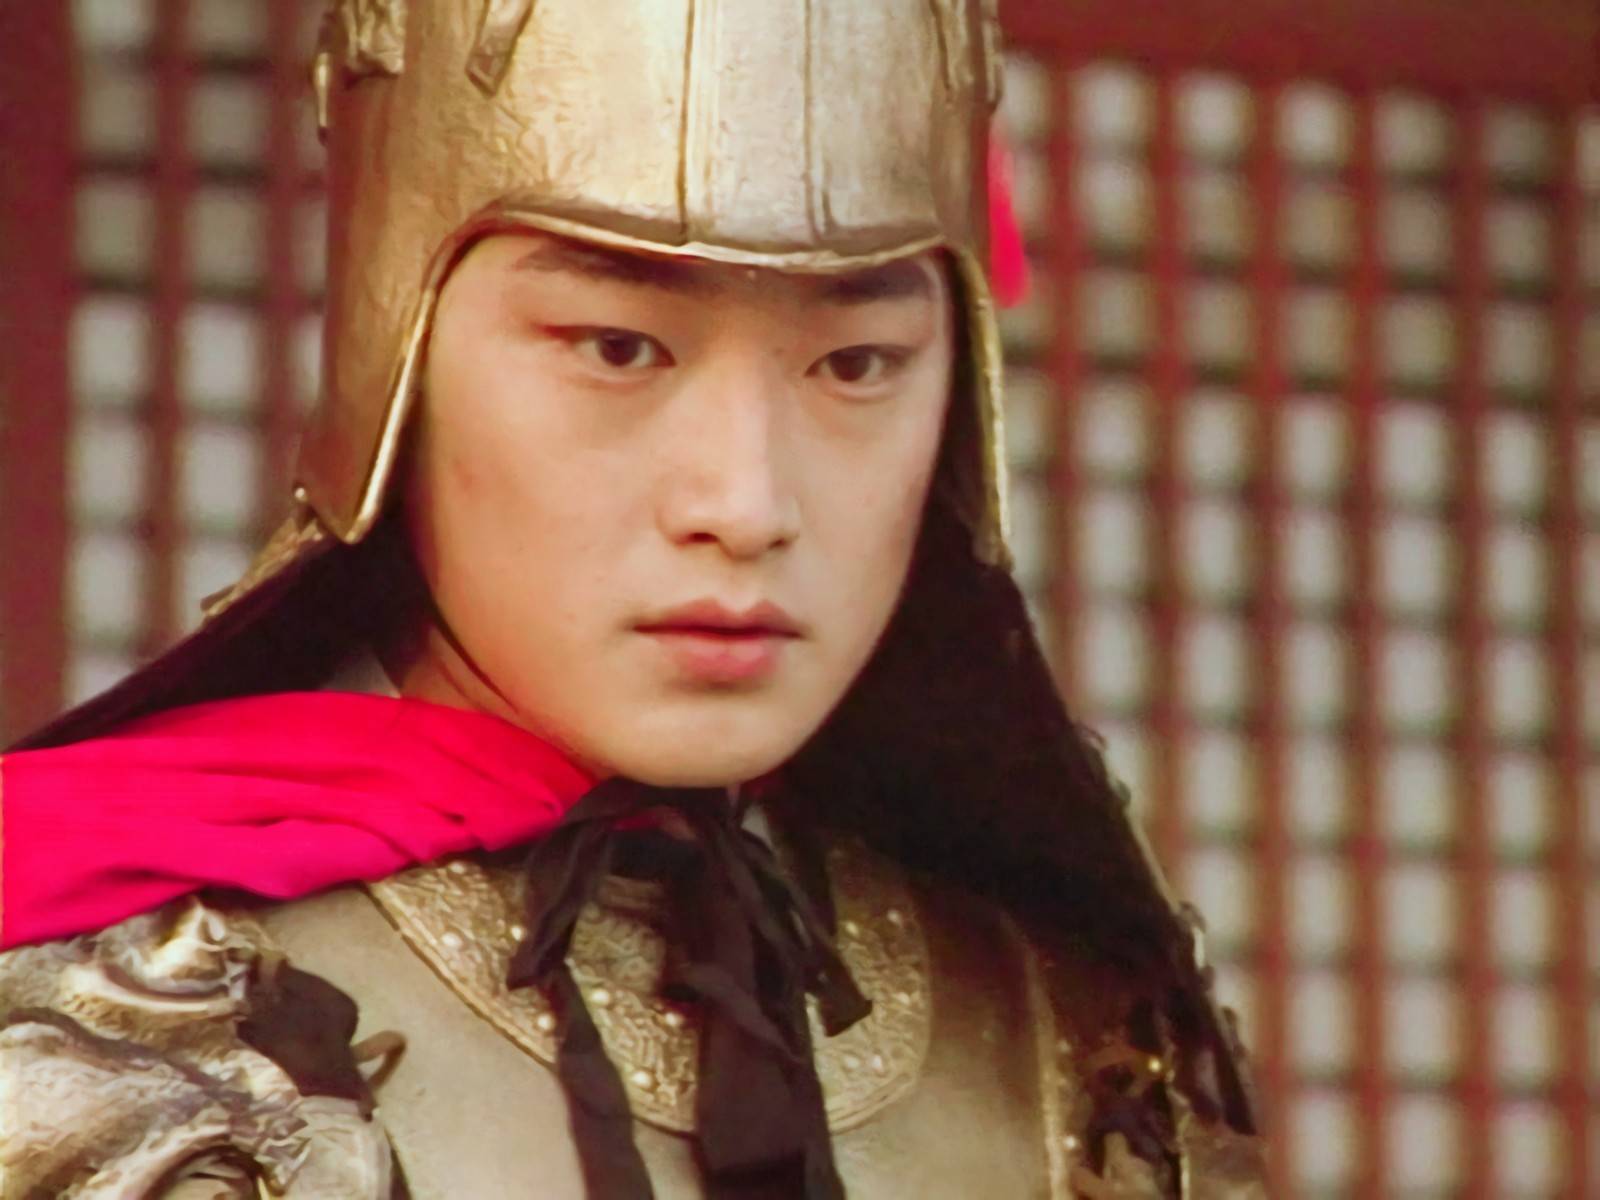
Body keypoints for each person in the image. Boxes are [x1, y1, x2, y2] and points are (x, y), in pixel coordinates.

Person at [0, 1, 1266, 1196]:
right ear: (399, 359)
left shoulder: (1079, 1056)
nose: (745, 502)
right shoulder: (95, 1037)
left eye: (856, 363)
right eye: (618, 347)